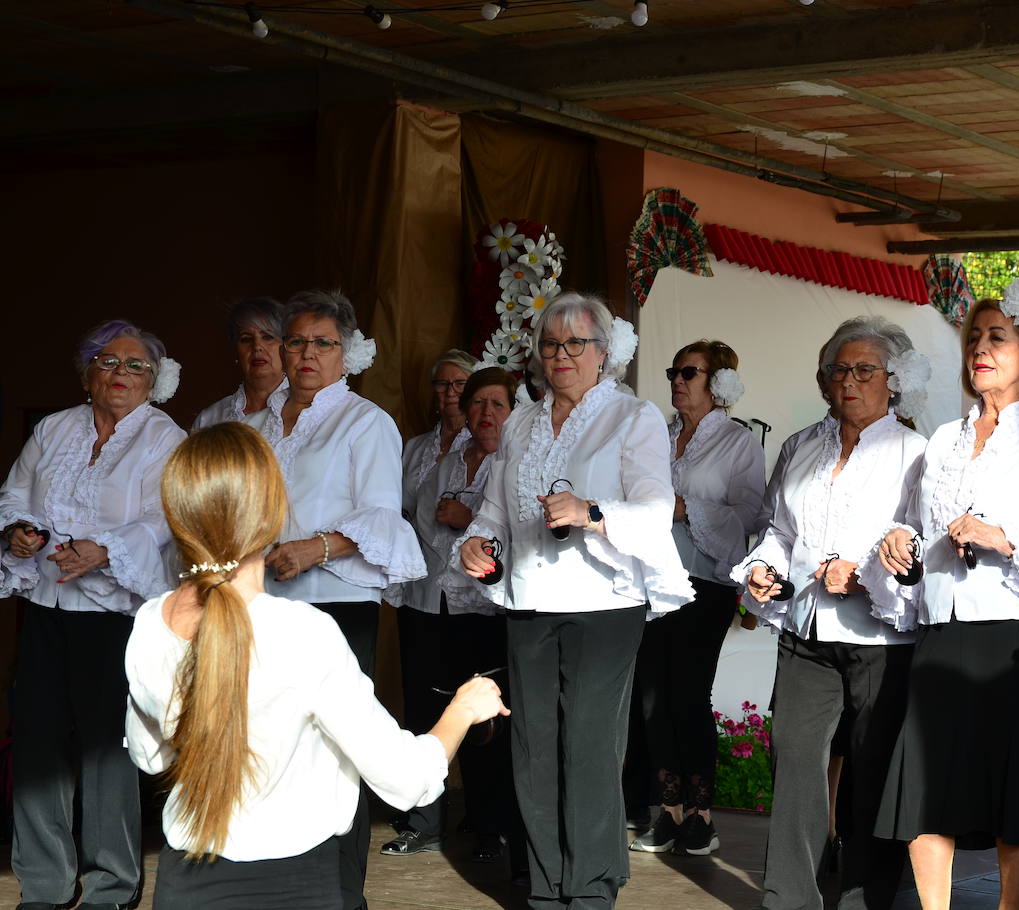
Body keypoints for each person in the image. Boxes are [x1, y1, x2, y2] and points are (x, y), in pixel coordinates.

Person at [124, 422, 509, 910]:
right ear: (271, 513)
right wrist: (464, 707)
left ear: (176, 513)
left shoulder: (149, 622)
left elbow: (150, 756)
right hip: (296, 887)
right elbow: (406, 778)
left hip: (183, 884)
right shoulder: (303, 632)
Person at [457, 293, 693, 910]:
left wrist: (592, 513)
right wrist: (478, 542)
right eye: (551, 344)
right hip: (529, 599)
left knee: (588, 747)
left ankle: (589, 890)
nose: (561, 356)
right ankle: (545, 886)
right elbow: (493, 507)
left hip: (604, 603)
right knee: (532, 749)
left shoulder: (632, 418)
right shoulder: (521, 422)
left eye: (576, 344)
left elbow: (654, 509)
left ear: (603, 352)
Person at [870, 279, 1019, 910]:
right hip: (942, 633)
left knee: (1011, 797)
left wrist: (1002, 536)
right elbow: (918, 526)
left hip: (1015, 640)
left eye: (998, 337)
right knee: (924, 794)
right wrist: (901, 550)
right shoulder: (941, 441)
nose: (981, 349)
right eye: (974, 338)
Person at [733, 315, 930, 910]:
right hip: (805, 631)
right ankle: (788, 895)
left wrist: (866, 573)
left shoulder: (915, 453)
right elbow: (776, 530)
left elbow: (920, 545)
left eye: (865, 370)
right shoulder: (799, 446)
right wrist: (763, 569)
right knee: (794, 760)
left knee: (873, 771)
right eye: (839, 370)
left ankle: (864, 896)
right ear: (823, 382)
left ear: (893, 381)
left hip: (880, 638)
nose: (850, 381)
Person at [243, 288, 424, 910]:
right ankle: (276, 886)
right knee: (270, 740)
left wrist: (314, 549)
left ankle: (341, 893)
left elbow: (380, 518)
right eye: (295, 341)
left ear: (348, 352)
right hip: (263, 604)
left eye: (323, 342)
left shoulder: (365, 421)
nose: (307, 353)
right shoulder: (254, 423)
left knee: (336, 743)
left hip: (337, 603)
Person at [0, 319, 185, 910]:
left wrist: (105, 550)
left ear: (154, 381)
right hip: (48, 606)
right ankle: (46, 884)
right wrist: (19, 532)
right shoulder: (54, 429)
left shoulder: (165, 438)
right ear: (87, 373)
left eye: (135, 366)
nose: (121, 374)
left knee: (110, 747)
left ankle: (112, 886)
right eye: (108, 362)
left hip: (117, 613)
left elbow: (167, 517)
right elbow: (15, 493)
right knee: (36, 740)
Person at [630, 340, 765, 856]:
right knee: (651, 699)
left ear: (719, 382)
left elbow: (750, 515)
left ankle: (701, 816)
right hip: (651, 583)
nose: (677, 380)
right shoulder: (656, 439)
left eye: (690, 372)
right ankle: (666, 811)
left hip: (704, 584)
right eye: (674, 370)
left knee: (687, 696)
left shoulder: (737, 442)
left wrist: (688, 509)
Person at [386, 365, 521, 866]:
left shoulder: (513, 462)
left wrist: (468, 522)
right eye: (478, 403)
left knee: (485, 721)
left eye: (497, 405)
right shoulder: (445, 463)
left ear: (513, 412)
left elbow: (524, 532)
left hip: (483, 609)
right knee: (424, 709)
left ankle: (490, 826)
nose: (486, 413)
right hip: (428, 601)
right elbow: (420, 524)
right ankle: (425, 821)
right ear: (466, 411)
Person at [193, 297, 288, 429]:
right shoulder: (210, 419)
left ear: (286, 347)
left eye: (268, 337)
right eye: (246, 339)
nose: (257, 346)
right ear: (236, 351)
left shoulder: (306, 411)